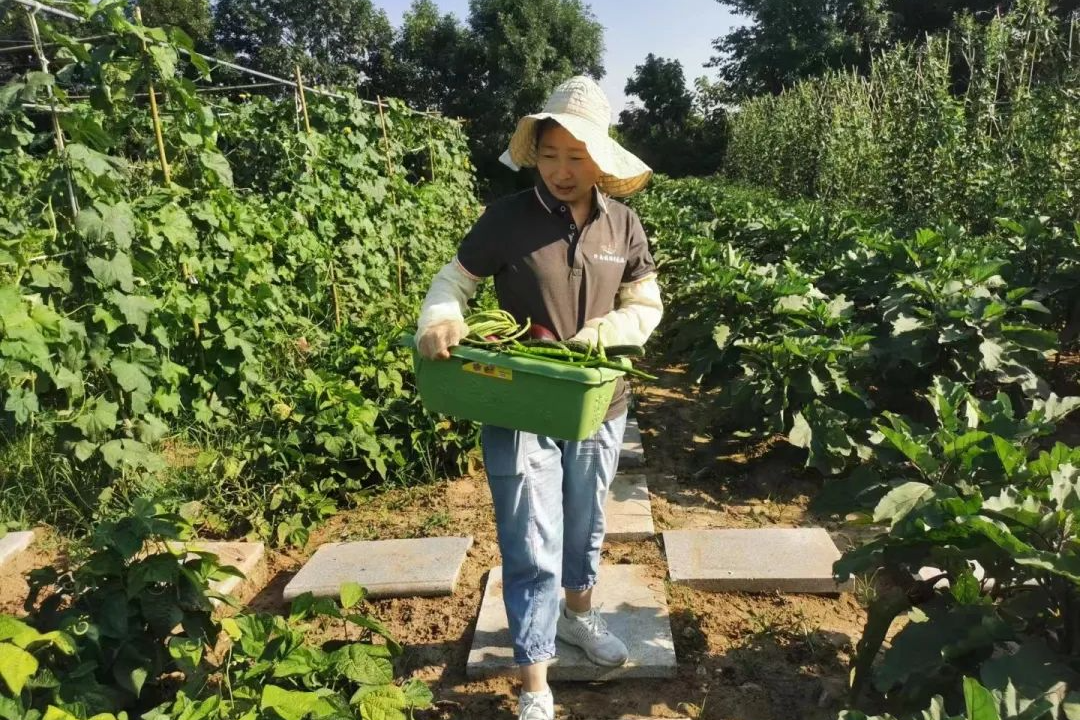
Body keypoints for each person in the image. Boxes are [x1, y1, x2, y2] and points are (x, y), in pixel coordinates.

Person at [415, 76, 663, 720]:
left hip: (599, 401)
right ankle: (535, 681)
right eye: (550, 155)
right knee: (529, 536)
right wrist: (441, 317)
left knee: (585, 523)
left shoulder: (623, 223)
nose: (561, 170)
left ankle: (578, 618)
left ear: (599, 160)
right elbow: (454, 281)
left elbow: (645, 303)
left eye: (576, 157)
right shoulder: (506, 218)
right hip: (519, 403)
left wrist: (605, 332)